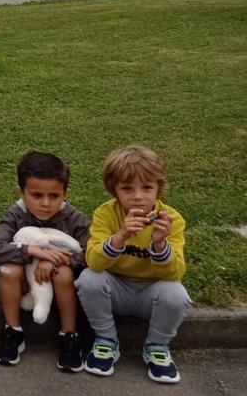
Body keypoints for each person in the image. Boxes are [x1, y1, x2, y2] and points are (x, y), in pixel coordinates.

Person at [76, 145, 188, 383]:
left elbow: (175, 272)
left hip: (151, 293)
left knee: (176, 293)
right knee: (88, 279)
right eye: (127, 188)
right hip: (114, 290)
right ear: (114, 190)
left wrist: (159, 245)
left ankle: (156, 346)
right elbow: (94, 262)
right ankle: (106, 340)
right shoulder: (106, 214)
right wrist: (120, 237)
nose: (138, 196)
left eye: (147, 187)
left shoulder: (172, 220)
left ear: (159, 188)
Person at [0, 151, 90, 370]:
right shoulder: (16, 215)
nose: (45, 203)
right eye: (36, 195)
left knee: (63, 274)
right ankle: (12, 330)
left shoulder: (74, 218)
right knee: (8, 269)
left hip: (58, 282)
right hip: (24, 283)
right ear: (22, 192)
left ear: (65, 193)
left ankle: (69, 335)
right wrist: (32, 251)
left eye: (54, 196)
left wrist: (55, 261)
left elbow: (91, 253)